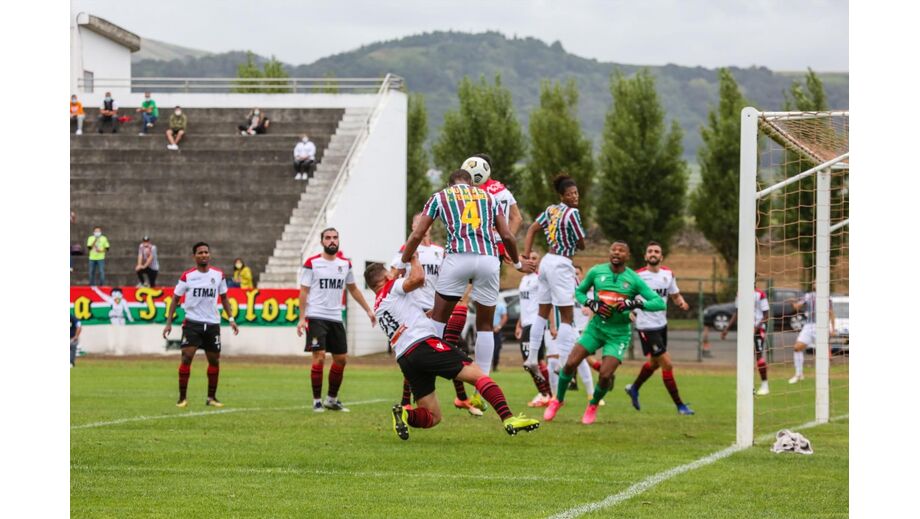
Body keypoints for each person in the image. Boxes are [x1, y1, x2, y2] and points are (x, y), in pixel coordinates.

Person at [400, 168, 532, 411]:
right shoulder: (488, 197)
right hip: (488, 260)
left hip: (458, 258)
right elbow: (507, 235)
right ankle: (481, 389)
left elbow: (418, 233)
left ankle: (426, 375)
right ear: (471, 182)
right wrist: (518, 263)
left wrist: (403, 261)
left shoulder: (441, 196)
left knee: (438, 320)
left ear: (450, 183)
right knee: (485, 325)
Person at [365, 259, 540, 440]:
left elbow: (405, 317)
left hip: (405, 358)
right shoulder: (392, 287)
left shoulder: (378, 306)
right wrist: (414, 257)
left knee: (433, 416)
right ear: (386, 276)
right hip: (423, 345)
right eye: (390, 272)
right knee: (478, 375)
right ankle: (508, 418)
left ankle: (405, 414)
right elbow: (418, 279)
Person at [543, 241, 665, 424]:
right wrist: (592, 303)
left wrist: (636, 303)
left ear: (628, 256)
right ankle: (557, 400)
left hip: (618, 334)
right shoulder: (596, 271)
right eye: (613, 250)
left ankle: (592, 405)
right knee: (570, 363)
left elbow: (659, 302)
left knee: (606, 375)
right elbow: (579, 292)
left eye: (621, 250)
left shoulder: (634, 279)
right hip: (596, 328)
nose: (616, 253)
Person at [389, 215, 480, 416]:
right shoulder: (408, 249)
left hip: (438, 311)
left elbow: (453, 278)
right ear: (413, 226)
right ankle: (406, 402)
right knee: (418, 354)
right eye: (417, 221)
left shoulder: (440, 252)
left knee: (452, 350)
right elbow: (392, 275)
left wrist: (461, 298)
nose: (423, 224)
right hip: (417, 312)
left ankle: (461, 398)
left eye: (426, 220)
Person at [297, 228, 377, 412]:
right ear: (322, 241)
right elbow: (304, 291)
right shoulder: (312, 263)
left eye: (335, 238)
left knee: (341, 359)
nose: (332, 241)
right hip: (316, 316)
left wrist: (368, 310)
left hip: (335, 317)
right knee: (319, 357)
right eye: (328, 238)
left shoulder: (345, 264)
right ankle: (317, 400)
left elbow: (354, 289)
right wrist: (302, 318)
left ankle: (331, 399)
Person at [521, 174, 587, 390]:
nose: (574, 197)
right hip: (561, 263)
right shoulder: (572, 213)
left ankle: (531, 358)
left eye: (576, 193)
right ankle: (561, 362)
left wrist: (526, 256)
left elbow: (531, 229)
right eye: (570, 194)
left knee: (542, 311)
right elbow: (582, 242)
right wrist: (577, 242)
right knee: (567, 316)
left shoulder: (551, 210)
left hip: (547, 261)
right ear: (562, 195)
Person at [162, 242, 239, 408]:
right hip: (192, 324)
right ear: (194, 256)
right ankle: (182, 398)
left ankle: (211, 398)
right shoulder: (187, 276)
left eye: (206, 252)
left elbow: (224, 298)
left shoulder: (218, 275)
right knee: (186, 358)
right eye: (200, 252)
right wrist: (168, 323)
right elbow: (175, 298)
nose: (204, 255)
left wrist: (231, 319)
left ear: (209, 255)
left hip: (212, 324)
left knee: (214, 361)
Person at [623, 241, 695, 415]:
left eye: (656, 251)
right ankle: (680, 405)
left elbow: (674, 294)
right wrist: (629, 312)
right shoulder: (637, 276)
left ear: (661, 257)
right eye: (650, 251)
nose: (653, 254)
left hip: (661, 325)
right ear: (645, 256)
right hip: (646, 326)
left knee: (654, 363)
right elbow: (626, 297)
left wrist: (681, 302)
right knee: (667, 364)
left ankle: (634, 388)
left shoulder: (668, 274)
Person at [516, 251, 554, 407]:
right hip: (526, 324)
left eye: (534, 259)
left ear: (539, 262)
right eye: (529, 258)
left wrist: (552, 324)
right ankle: (547, 393)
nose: (531, 261)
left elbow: (547, 303)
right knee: (533, 361)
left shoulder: (540, 279)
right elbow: (525, 303)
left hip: (535, 324)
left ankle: (547, 394)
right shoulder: (524, 279)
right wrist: (519, 323)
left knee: (533, 361)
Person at [471, 153, 523, 260]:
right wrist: (507, 244)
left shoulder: (476, 190)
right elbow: (517, 218)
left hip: (480, 245)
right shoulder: (504, 190)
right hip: (499, 246)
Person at [722, 288, 771, 395]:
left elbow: (766, 314)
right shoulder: (740, 293)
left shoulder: (760, 294)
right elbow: (737, 312)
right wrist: (727, 328)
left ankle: (765, 385)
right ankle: (749, 386)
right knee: (745, 357)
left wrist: (757, 327)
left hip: (759, 329)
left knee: (758, 356)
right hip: (745, 330)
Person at [789, 281, 836, 384]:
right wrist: (793, 303)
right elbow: (797, 306)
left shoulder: (827, 298)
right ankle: (799, 374)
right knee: (797, 348)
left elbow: (831, 313)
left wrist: (833, 328)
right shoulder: (808, 296)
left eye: (818, 282)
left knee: (824, 353)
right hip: (809, 325)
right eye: (814, 282)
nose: (815, 284)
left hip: (821, 327)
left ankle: (825, 377)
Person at [491, 298, 508, 371]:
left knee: (496, 350)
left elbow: (504, 317)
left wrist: (498, 327)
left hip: (496, 331)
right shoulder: (487, 303)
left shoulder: (501, 305)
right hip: (487, 330)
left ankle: (494, 366)